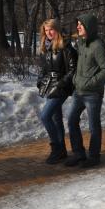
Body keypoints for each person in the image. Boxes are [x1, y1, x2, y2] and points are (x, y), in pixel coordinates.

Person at [65, 14, 105, 168]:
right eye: (77, 24)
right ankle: (79, 154)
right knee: (72, 120)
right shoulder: (81, 42)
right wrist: (76, 80)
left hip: (93, 93)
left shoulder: (98, 45)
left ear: (89, 27)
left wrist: (90, 82)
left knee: (93, 126)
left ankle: (94, 156)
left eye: (81, 24)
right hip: (79, 91)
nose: (78, 26)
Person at [37, 19, 78, 164]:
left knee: (45, 116)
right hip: (49, 86)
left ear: (57, 30)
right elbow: (43, 69)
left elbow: (73, 70)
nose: (48, 33)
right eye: (46, 30)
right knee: (55, 118)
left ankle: (56, 148)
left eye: (51, 29)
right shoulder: (45, 47)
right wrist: (40, 80)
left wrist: (60, 85)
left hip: (61, 87)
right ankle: (62, 151)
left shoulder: (66, 47)